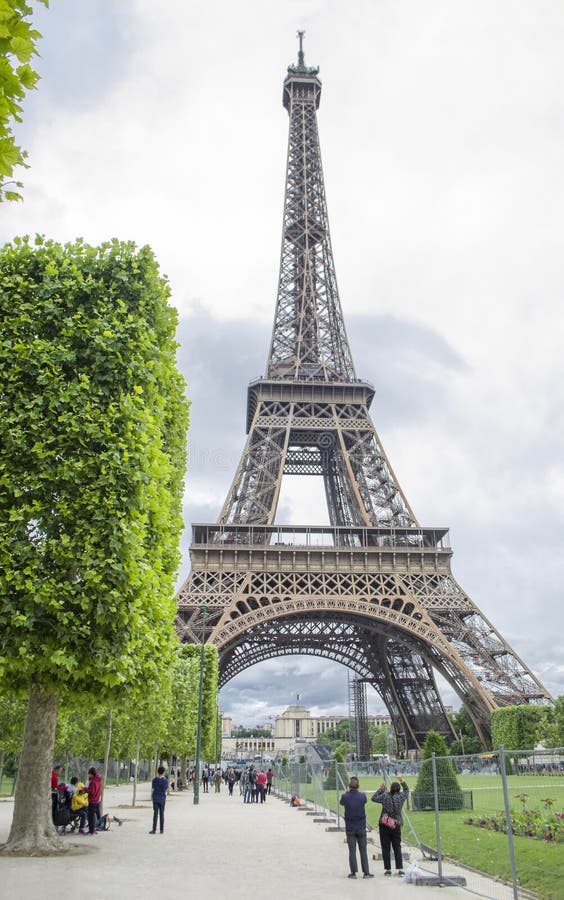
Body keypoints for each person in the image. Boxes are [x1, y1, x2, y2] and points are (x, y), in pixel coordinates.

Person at [371, 777, 409, 876]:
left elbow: (374, 798)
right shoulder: (401, 797)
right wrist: (402, 781)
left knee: (385, 847)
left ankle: (388, 869)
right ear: (398, 790)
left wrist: (381, 789)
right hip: (396, 824)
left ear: (390, 789)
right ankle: (400, 868)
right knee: (397, 846)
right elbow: (407, 790)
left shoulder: (385, 796)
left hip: (384, 823)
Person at [340, 776, 373, 879]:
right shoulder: (362, 796)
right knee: (363, 850)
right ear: (358, 786)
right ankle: (366, 872)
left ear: (349, 786)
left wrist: (347, 792)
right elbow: (364, 801)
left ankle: (353, 873)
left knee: (352, 850)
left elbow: (341, 803)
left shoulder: (345, 796)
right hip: (361, 826)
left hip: (350, 827)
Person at [150, 765, 168, 834]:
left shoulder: (154, 780)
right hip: (162, 798)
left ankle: (154, 829)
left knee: (155, 814)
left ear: (158, 772)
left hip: (155, 798)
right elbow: (165, 790)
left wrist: (151, 797)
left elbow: (153, 789)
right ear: (163, 772)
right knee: (161, 814)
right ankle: (161, 829)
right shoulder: (165, 781)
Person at [85, 766, 103, 835]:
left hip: (92, 800)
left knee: (90, 816)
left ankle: (91, 830)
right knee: (95, 815)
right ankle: (95, 828)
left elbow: (91, 791)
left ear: (91, 774)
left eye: (89, 774)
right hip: (97, 799)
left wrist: (85, 789)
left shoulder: (93, 781)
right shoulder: (98, 780)